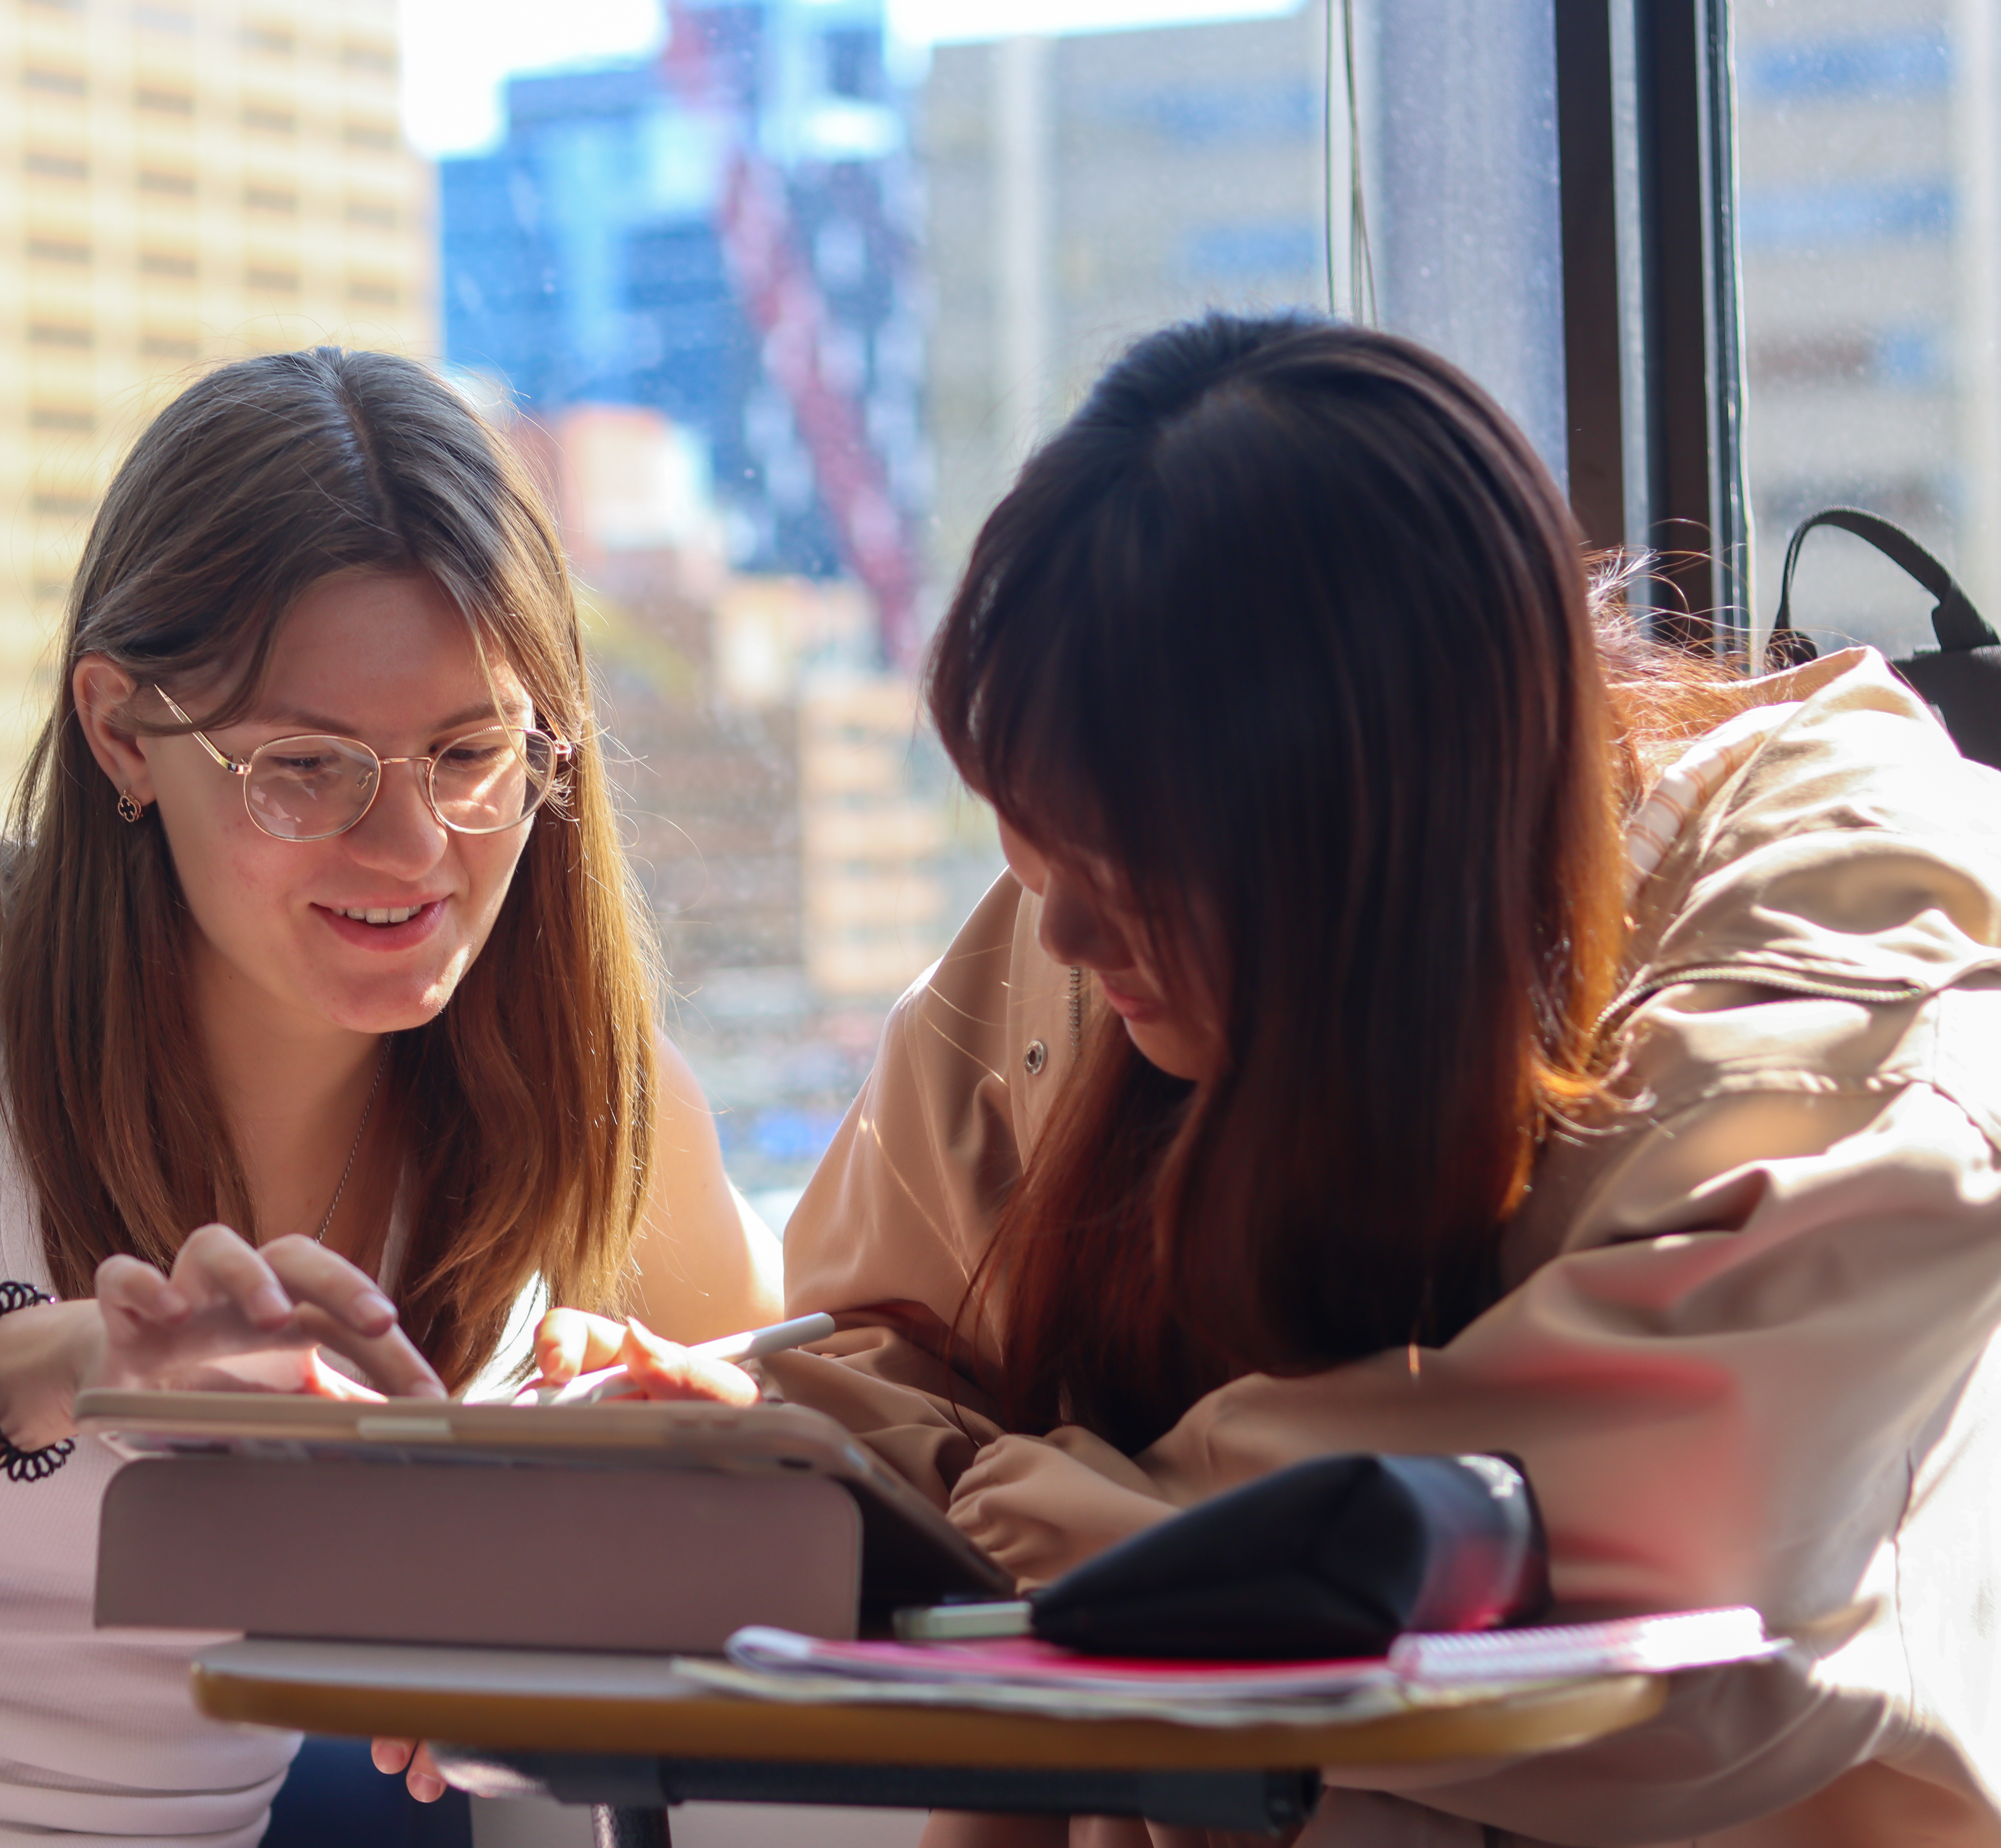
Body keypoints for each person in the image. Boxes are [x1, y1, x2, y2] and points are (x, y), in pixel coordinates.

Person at [570, 313, 2001, 1844]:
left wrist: (977, 1503)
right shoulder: (1110, 921)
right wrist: (724, 1446)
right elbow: (884, 1347)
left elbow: (1670, 1604)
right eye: (1030, 837)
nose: (1060, 926)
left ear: (1371, 818)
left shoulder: (1852, 929)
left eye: (1122, 866)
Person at [0, 345, 781, 1848]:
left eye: (471, 754)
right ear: (122, 732)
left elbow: (820, 1529)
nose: (411, 848)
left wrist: (642, 1524)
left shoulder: (600, 1113)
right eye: (305, 767)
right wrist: (61, 1366)